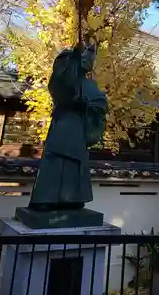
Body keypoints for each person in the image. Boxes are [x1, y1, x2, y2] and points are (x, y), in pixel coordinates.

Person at [28, 44, 108, 211]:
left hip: (79, 127)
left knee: (76, 163)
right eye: (85, 59)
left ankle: (74, 198)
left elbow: (100, 105)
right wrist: (73, 59)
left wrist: (87, 106)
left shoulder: (91, 85)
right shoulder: (66, 73)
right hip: (63, 122)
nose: (87, 63)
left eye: (90, 61)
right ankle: (45, 198)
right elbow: (59, 86)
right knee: (55, 160)